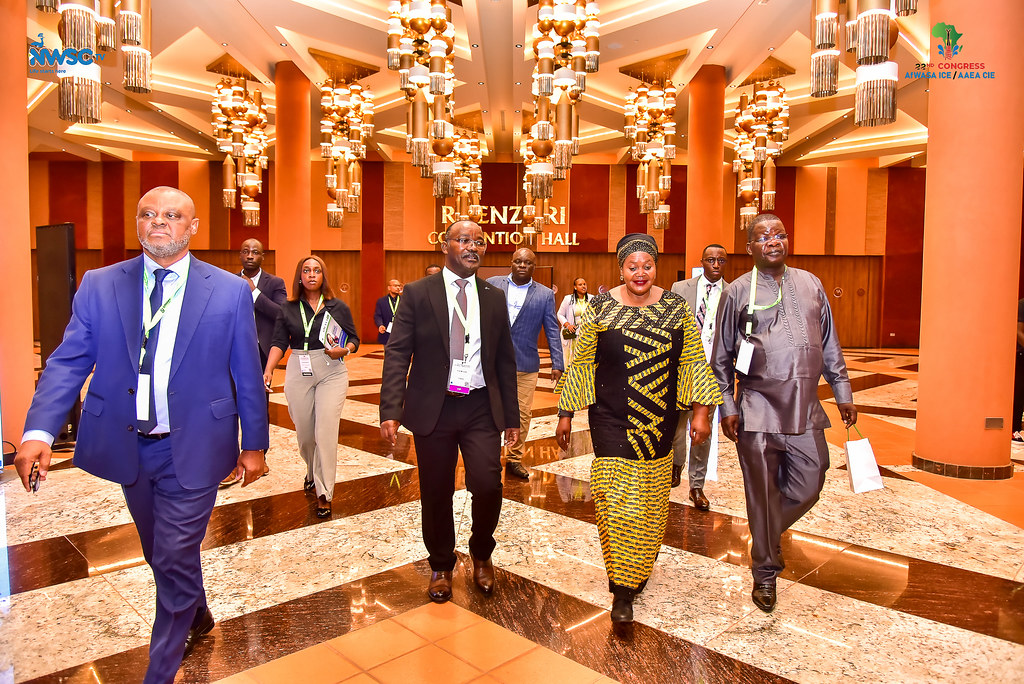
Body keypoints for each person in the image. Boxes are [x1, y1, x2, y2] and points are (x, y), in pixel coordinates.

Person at [15, 186, 268, 684]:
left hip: (197, 444)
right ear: (137, 224)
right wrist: (39, 431)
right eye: (148, 214)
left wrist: (254, 444)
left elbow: (246, 370)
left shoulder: (229, 290)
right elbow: (68, 361)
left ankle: (160, 671)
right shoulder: (100, 284)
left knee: (172, 556)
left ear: (193, 227)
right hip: (130, 445)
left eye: (172, 215)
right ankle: (196, 612)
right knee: (159, 551)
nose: (159, 222)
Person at [555, 233, 722, 624]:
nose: (640, 273)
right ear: (621, 269)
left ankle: (639, 563)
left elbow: (692, 362)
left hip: (660, 419)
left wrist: (701, 412)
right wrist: (566, 412)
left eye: (647, 266)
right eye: (633, 266)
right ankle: (621, 588)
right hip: (610, 417)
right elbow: (583, 362)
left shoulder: (675, 308)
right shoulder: (601, 307)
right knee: (613, 497)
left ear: (655, 268)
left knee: (648, 499)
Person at [711, 213, 856, 614]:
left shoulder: (811, 283)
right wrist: (727, 406)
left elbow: (830, 343)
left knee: (812, 480)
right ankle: (765, 574)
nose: (773, 241)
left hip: (805, 408)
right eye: (763, 237)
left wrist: (842, 390)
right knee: (761, 493)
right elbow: (720, 358)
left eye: (779, 234)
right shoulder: (737, 292)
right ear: (750, 248)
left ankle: (763, 537)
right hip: (757, 408)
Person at [380, 220, 519, 603]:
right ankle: (441, 564)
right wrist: (390, 408)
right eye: (464, 240)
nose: (473, 247)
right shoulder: (417, 293)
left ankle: (482, 552)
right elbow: (398, 352)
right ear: (445, 246)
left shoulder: (493, 296)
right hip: (434, 408)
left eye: (479, 242)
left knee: (488, 484)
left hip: (479, 406)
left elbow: (505, 360)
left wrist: (512, 417)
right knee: (436, 489)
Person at [264, 255, 359, 518]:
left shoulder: (337, 306)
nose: (311, 274)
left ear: (323, 275)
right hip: (299, 366)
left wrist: (345, 349)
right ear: (300, 276)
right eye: (306, 270)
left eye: (317, 270)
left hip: (331, 369)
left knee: (325, 432)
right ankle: (310, 470)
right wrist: (269, 369)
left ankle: (324, 492)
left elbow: (354, 338)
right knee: (306, 434)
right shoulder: (288, 307)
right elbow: (279, 341)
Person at [487, 248, 564, 480]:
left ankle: (514, 458)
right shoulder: (492, 284)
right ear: (511, 263)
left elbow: (552, 329)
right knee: (489, 410)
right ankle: (489, 457)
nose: (522, 265)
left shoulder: (544, 294)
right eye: (518, 261)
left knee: (521, 414)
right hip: (491, 363)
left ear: (534, 266)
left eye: (528, 263)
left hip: (525, 363)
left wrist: (557, 362)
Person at [669, 244, 729, 509]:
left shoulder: (732, 293)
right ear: (702, 261)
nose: (715, 265)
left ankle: (696, 485)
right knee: (675, 425)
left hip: (712, 371)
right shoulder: (680, 288)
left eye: (721, 261)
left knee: (702, 430)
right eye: (711, 260)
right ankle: (675, 465)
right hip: (681, 369)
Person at [238, 238, 288, 370]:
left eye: (255, 252)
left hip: (263, 349)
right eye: (246, 252)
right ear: (240, 255)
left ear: (262, 256)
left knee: (261, 384)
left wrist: (254, 292)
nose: (250, 256)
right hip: (236, 346)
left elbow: (281, 314)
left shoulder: (275, 283)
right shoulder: (231, 281)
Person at [556, 277, 593, 367]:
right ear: (575, 287)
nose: (583, 286)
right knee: (569, 360)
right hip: (572, 335)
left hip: (586, 335)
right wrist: (568, 325)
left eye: (584, 284)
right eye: (580, 285)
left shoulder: (592, 298)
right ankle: (568, 375)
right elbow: (560, 314)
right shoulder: (568, 299)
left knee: (584, 360)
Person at [374, 279, 403, 345]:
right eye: (395, 286)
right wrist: (380, 325)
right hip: (387, 333)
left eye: (399, 286)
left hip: (401, 333)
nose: (398, 288)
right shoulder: (381, 301)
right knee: (387, 350)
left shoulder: (404, 300)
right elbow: (378, 316)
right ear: (389, 288)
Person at [1013, 298, 1024, 441]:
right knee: (1018, 398)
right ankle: (1015, 433)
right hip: (1021, 356)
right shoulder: (1022, 305)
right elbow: (1018, 331)